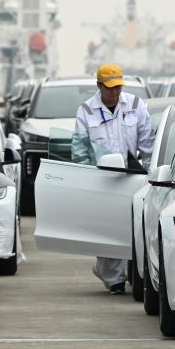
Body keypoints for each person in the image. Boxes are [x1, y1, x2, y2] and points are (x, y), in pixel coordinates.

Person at [72, 64, 155, 294]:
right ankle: (114, 278)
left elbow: (148, 146)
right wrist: (85, 178)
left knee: (131, 228)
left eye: (118, 87)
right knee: (108, 229)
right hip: (102, 178)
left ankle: (118, 271)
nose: (115, 93)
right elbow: (79, 149)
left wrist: (151, 177)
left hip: (133, 176)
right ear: (99, 86)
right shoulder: (86, 111)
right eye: (110, 88)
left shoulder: (136, 106)